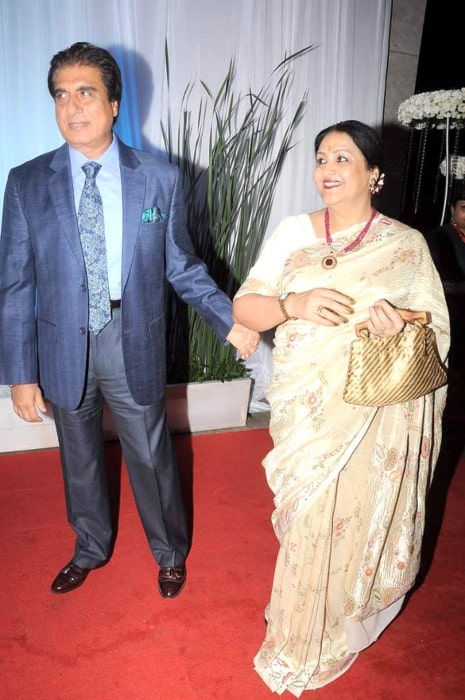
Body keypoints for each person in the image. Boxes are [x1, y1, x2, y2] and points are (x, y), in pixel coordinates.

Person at [0, 42, 259, 599]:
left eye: (86, 92)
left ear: (115, 103)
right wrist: (20, 374)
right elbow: (16, 285)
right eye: (62, 95)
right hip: (62, 344)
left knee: (150, 453)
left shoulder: (158, 179)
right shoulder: (25, 182)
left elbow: (182, 267)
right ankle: (89, 547)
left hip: (131, 335)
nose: (73, 106)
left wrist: (227, 320)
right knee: (79, 458)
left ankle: (169, 552)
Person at [232, 120, 449, 694]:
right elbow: (247, 308)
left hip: (370, 406)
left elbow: (434, 326)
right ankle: (304, 614)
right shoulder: (292, 232)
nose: (328, 168)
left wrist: (395, 323)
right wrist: (293, 302)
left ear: (374, 175)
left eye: (344, 158)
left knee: (350, 511)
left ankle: (323, 624)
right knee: (307, 515)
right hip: (305, 404)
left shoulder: (405, 246)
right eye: (322, 157)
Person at [424, 191, 465, 423]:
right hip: (451, 325)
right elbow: (439, 285)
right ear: (452, 210)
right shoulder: (438, 239)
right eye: (464, 207)